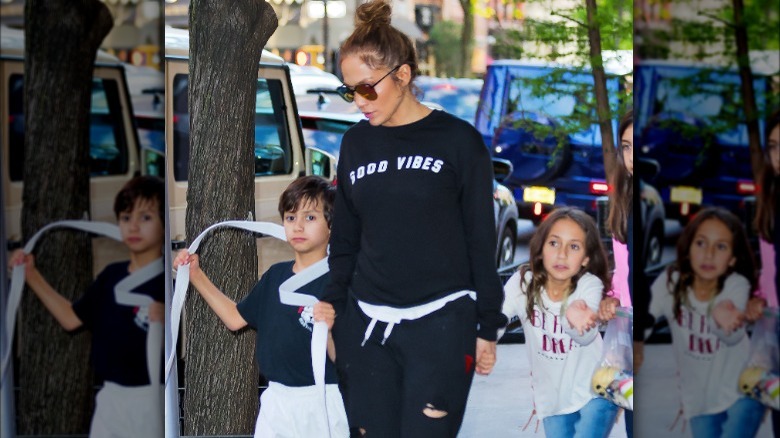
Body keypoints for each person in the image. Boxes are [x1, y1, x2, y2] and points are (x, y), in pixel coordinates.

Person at [324, 0, 507, 435]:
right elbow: (345, 240)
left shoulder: (459, 142)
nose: (358, 102)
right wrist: (334, 307)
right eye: (350, 91)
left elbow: (481, 240)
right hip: (365, 327)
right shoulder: (354, 145)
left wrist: (489, 322)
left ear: (402, 76)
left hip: (443, 324)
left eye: (367, 88)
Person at [173, 175, 348, 437]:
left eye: (310, 217)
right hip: (276, 403)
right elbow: (235, 318)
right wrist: (196, 275)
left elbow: (348, 361)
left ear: (332, 225)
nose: (298, 226)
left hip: (324, 400)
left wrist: (331, 330)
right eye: (291, 217)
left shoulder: (340, 282)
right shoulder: (274, 277)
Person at [9, 175, 165, 437]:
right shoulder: (110, 277)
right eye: (126, 218)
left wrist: (168, 325)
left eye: (145, 217)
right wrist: (31, 275)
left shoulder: (167, 283)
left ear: (165, 223)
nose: (134, 227)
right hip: (109, 399)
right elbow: (71, 318)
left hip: (151, 399)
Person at [501, 207, 619, 437]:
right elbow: (497, 317)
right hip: (551, 398)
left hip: (597, 389)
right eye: (554, 243)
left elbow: (585, 336)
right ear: (541, 248)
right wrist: (482, 340)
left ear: (585, 258)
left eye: (573, 247)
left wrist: (575, 320)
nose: (562, 254)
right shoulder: (523, 282)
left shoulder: (589, 285)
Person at [648, 207, 765, 437]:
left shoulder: (736, 284)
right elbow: (646, 318)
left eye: (720, 247)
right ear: (689, 247)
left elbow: (731, 335)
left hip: (742, 393)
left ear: (732, 259)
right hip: (698, 401)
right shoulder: (670, 282)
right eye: (701, 243)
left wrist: (722, 319)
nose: (708, 254)